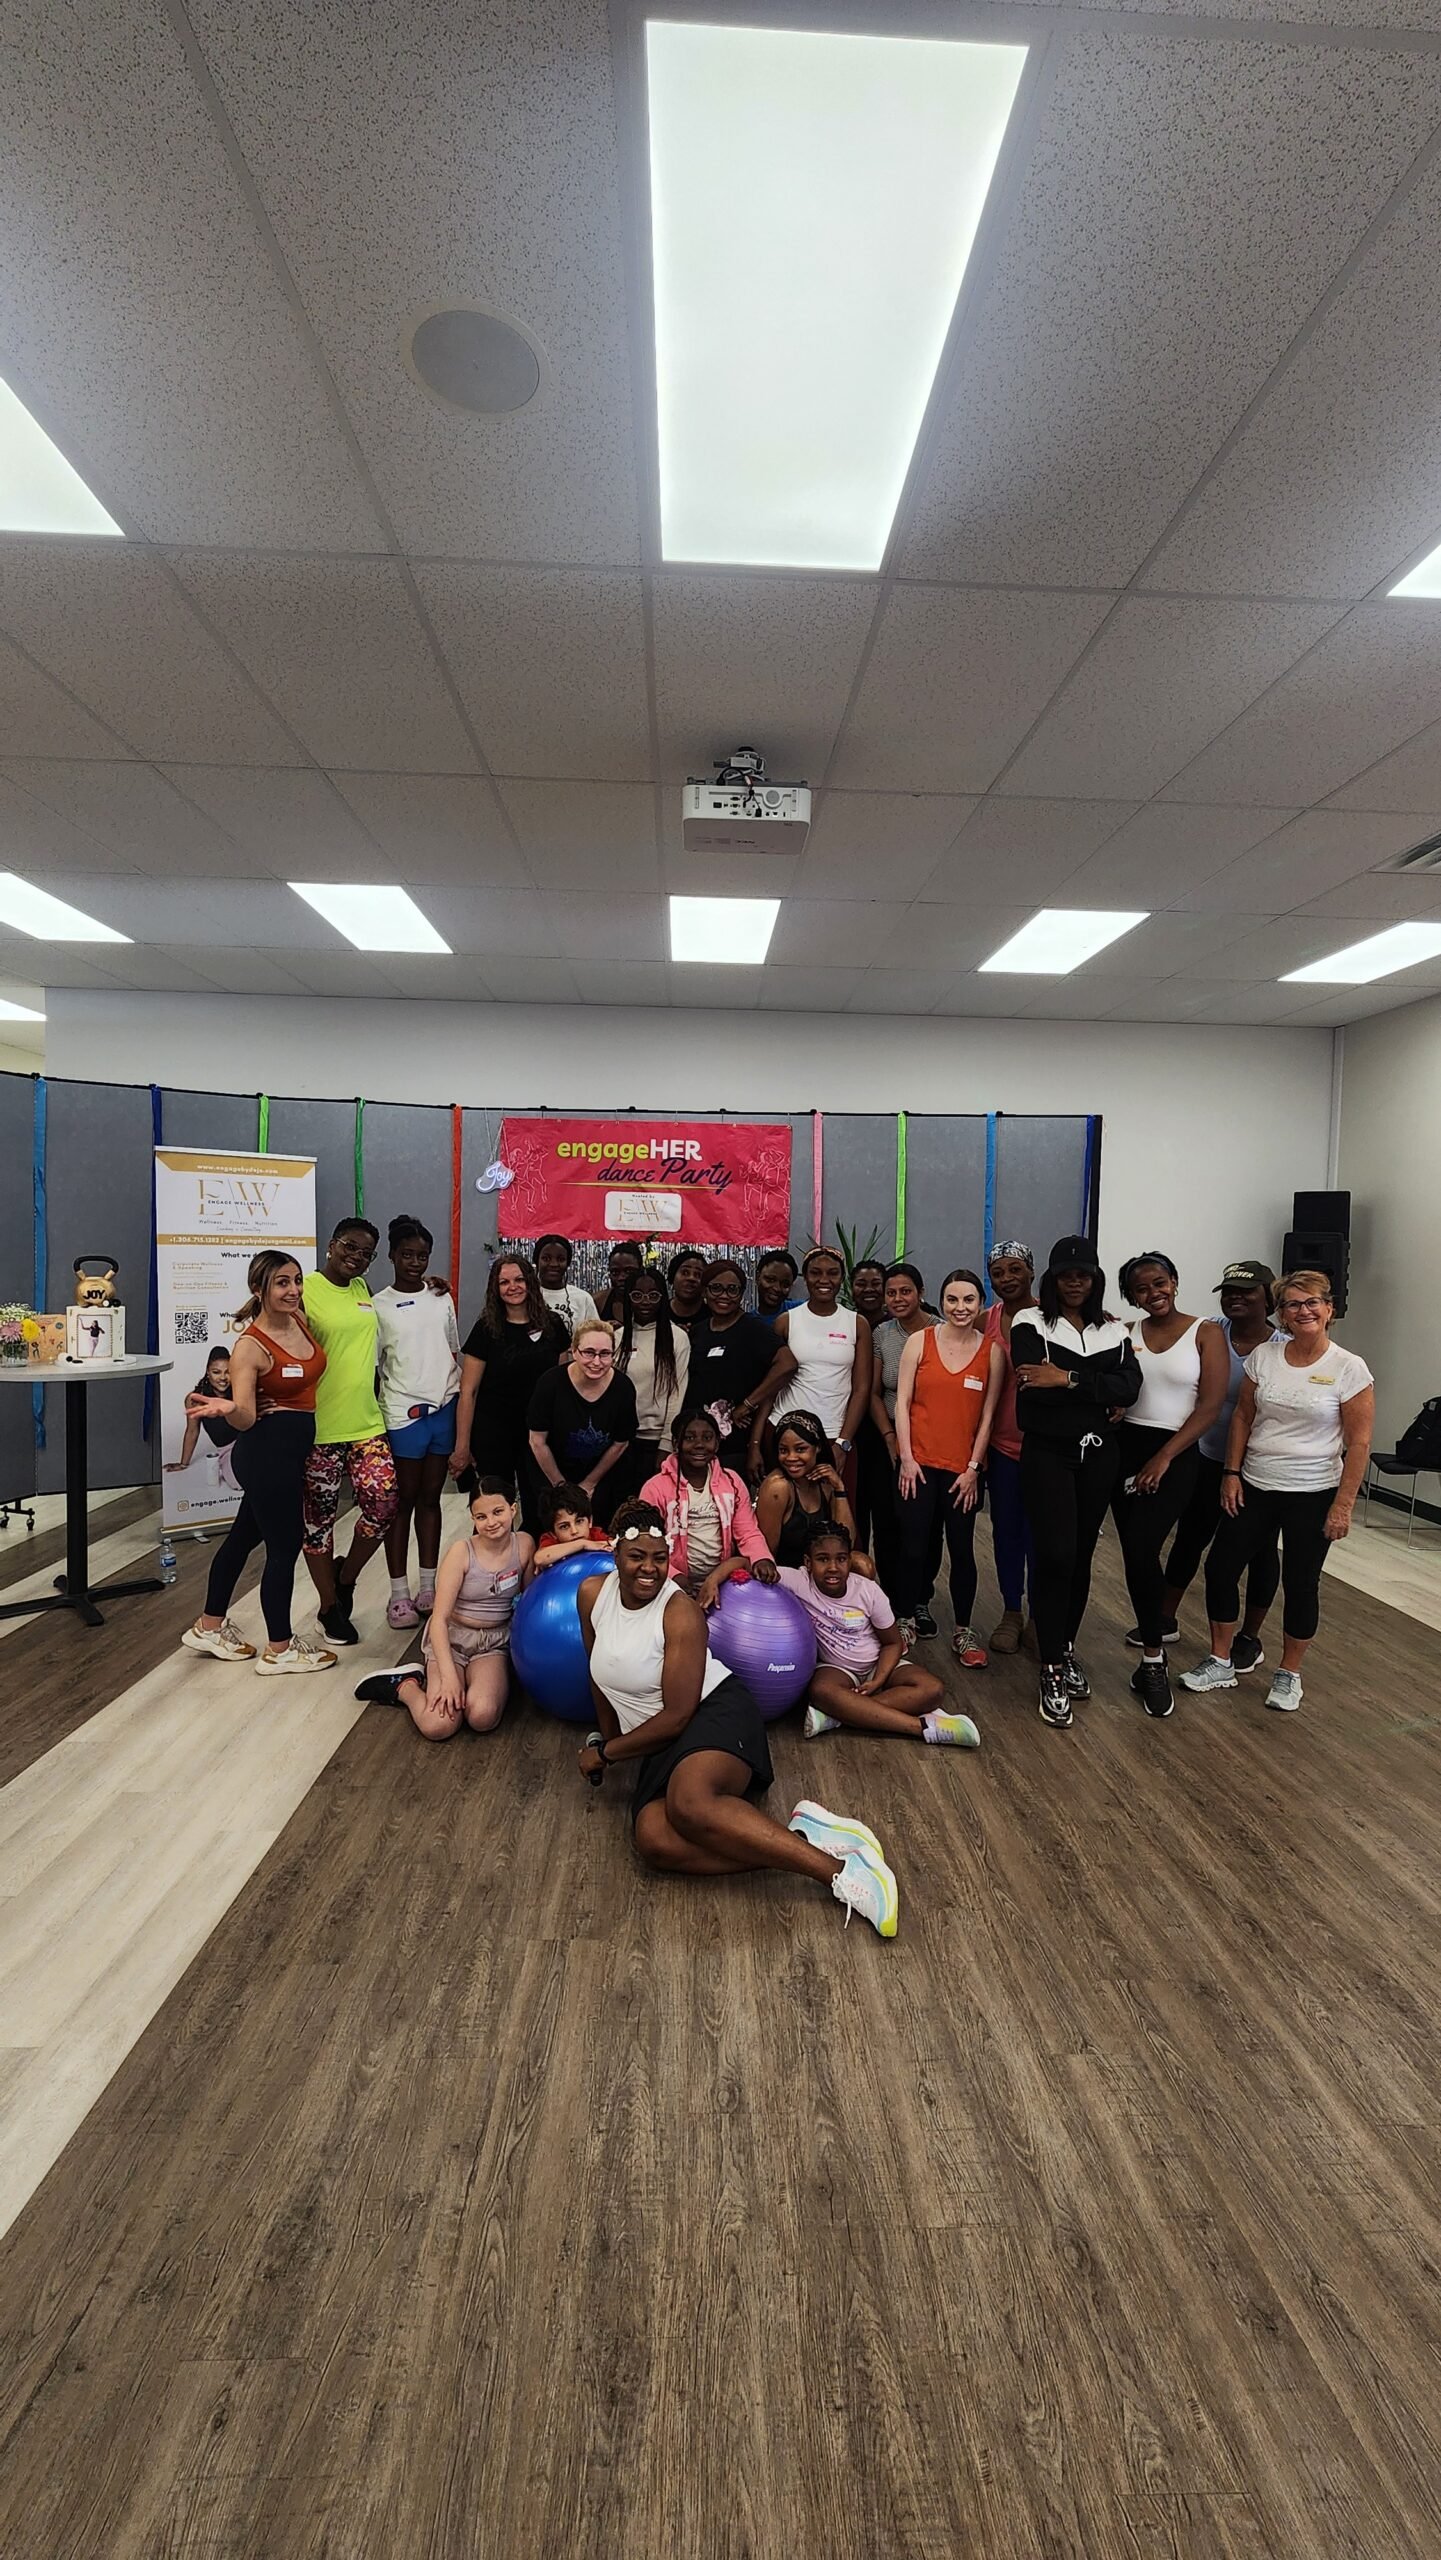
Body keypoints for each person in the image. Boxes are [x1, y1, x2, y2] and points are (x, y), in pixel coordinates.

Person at [576, 1500, 899, 1937]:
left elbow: (677, 1716)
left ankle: (842, 1874)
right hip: (658, 1739)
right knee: (653, 1840)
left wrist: (607, 1754)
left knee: (688, 1805)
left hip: (712, 1712)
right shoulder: (592, 1594)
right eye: (636, 1557)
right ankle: (803, 1839)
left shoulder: (679, 1612)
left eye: (659, 1558)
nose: (649, 1569)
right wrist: (606, 1736)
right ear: (614, 1554)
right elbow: (597, 1670)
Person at [1180, 1270, 1373, 1714]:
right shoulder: (1264, 1357)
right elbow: (1243, 1417)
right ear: (1281, 1313)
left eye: (1311, 1302)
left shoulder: (1348, 1367)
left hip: (1313, 1491)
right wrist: (1231, 1473)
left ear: (1329, 1309)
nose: (1303, 1311)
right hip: (1255, 1484)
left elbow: (1359, 1443)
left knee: (1301, 1583)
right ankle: (1221, 1660)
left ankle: (1289, 1673)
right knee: (1220, 1568)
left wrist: (1343, 1506)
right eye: (1292, 1304)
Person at [181, 1250, 337, 1674]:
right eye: (282, 1283)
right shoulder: (249, 1347)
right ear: (258, 1289)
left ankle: (209, 1626)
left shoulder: (299, 1320)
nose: (293, 1290)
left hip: (287, 1453)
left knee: (242, 1538)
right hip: (266, 1456)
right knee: (284, 1547)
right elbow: (247, 1416)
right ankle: (280, 1649)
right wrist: (227, 1408)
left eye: (296, 1280)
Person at [1011, 1236, 1142, 1730]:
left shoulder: (1113, 1329)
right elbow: (1032, 1391)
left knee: (1082, 1555)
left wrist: (1066, 1379)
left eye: (1083, 1275)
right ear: (1052, 1279)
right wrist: (1098, 1389)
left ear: (1095, 1279)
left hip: (1100, 1454)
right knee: (1057, 1554)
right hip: (1047, 1452)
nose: (1074, 1283)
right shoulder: (1030, 1323)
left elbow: (1131, 1387)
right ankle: (1049, 1665)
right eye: (1066, 1275)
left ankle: (1065, 1649)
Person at [1111, 1252, 1229, 1719]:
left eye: (1159, 1283)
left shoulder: (1206, 1332)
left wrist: (1164, 1457)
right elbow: (1120, 1391)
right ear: (1131, 1296)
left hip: (1176, 1455)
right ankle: (1152, 1656)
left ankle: (1153, 1659)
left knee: (1144, 1548)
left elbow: (1210, 1406)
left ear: (1174, 1282)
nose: (1153, 1293)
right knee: (1135, 1555)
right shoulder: (1126, 1333)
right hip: (1125, 1450)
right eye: (1141, 1289)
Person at [1158, 1261, 1281, 1670]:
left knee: (1260, 1551)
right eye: (1229, 1291)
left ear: (1268, 1298)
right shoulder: (1210, 1332)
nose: (1235, 1298)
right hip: (1207, 1456)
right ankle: (1164, 1618)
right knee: (1189, 1537)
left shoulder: (1281, 1346)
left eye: (1246, 1291)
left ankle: (1249, 1637)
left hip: (1257, 1468)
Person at [356, 1477, 533, 1739]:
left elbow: (529, 1602)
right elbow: (439, 1619)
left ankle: (471, 1682)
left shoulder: (525, 1544)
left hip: (494, 1642)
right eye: (481, 1516)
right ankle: (405, 1686)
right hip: (452, 1638)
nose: (491, 1522)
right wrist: (449, 1677)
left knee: (482, 1716)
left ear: (513, 1509)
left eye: (498, 1512)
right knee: (438, 1725)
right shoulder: (461, 1552)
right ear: (472, 1518)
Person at [780, 1518, 977, 1748]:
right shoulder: (799, 1581)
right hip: (837, 1669)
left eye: (841, 1559)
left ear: (849, 1560)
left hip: (877, 1664)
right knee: (820, 1691)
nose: (833, 1567)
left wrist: (878, 1680)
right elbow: (755, 1566)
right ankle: (922, 1728)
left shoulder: (868, 1591)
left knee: (933, 1689)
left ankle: (839, 1716)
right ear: (808, 1562)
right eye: (823, 1559)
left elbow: (893, 1643)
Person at [893, 1268, 1004, 1667]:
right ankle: (905, 1619)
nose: (960, 1307)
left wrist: (973, 1469)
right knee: (913, 1546)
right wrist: (907, 1459)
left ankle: (963, 1630)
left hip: (963, 1473)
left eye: (969, 1300)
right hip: (918, 1467)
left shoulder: (992, 1351)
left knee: (961, 1549)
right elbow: (902, 1403)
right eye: (952, 1299)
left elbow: (988, 1417)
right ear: (941, 1302)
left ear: (980, 1304)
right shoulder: (919, 1342)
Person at [301, 1217, 399, 1644]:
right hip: (319, 1428)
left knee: (384, 1505)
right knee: (318, 1524)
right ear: (331, 1244)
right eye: (349, 1246)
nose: (356, 1256)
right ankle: (328, 1608)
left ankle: (346, 1578)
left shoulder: (362, 1289)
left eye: (366, 1253)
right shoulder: (305, 1289)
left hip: (365, 1422)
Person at [372, 1213, 462, 1629]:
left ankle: (428, 1587)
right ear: (391, 1255)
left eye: (422, 1255)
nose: (414, 1262)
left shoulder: (442, 1297)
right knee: (401, 1502)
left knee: (431, 1498)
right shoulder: (378, 1305)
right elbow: (377, 1366)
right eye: (407, 1254)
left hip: (443, 1410)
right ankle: (398, 1595)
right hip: (403, 1415)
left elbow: (450, 1350)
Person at [451, 1255, 565, 1527]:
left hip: (539, 1433)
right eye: (504, 1282)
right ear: (495, 1288)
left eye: (518, 1280)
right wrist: (462, 1446)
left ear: (530, 1282)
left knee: (540, 1507)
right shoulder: (486, 1329)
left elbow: (562, 1385)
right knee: (494, 1509)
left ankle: (536, 1553)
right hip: (493, 1433)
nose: (512, 1287)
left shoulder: (553, 1325)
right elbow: (468, 1391)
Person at [737, 1247, 872, 1476]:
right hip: (784, 1432)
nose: (824, 1280)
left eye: (832, 1273)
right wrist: (755, 1444)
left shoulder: (857, 1324)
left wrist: (843, 1442)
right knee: (781, 1497)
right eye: (815, 1273)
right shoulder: (786, 1321)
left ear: (842, 1279)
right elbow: (772, 1386)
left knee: (836, 1498)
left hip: (833, 1435)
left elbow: (861, 1389)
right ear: (805, 1278)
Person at [641, 1408, 779, 1603]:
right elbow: (647, 1542)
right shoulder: (656, 1487)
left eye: (707, 1438)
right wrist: (673, 1576)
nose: (699, 1445)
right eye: (689, 1438)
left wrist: (761, 1558)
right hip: (672, 1582)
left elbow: (747, 1531)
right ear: (676, 1443)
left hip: (724, 1581)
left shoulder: (731, 1481)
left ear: (717, 1443)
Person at [867, 1262, 937, 1613]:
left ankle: (921, 1598)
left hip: (932, 1443)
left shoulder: (941, 1330)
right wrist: (889, 1437)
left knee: (927, 1526)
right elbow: (874, 1393)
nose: (897, 1299)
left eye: (905, 1291)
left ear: (921, 1293)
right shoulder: (882, 1334)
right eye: (891, 1293)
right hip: (891, 1440)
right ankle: (892, 1599)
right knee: (888, 1521)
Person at [526, 1317, 638, 1527]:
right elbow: (537, 1441)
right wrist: (562, 1488)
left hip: (601, 1472)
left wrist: (589, 1484)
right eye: (589, 1352)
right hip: (552, 1469)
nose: (596, 1362)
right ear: (574, 1351)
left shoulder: (623, 1388)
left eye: (605, 1354)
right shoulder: (550, 1383)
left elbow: (621, 1442)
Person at [982, 1242, 1038, 1655]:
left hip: (1045, 1447)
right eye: (998, 1272)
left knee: (1042, 1534)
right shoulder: (985, 1321)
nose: (1007, 1278)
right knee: (1006, 1530)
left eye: (1015, 1269)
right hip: (1001, 1446)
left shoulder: (1053, 1317)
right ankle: (1011, 1610)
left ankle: (1040, 1613)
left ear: (1031, 1272)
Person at [680, 1259, 776, 1479]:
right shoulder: (697, 1332)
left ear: (741, 1293)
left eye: (732, 1289)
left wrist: (748, 1404)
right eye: (716, 1288)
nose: (724, 1295)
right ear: (705, 1291)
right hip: (696, 1446)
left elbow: (787, 1365)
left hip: (736, 1445)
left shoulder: (754, 1329)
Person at [754, 1410, 868, 1572]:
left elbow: (846, 1542)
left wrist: (839, 1489)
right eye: (783, 1450)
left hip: (819, 1572)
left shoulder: (825, 1482)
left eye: (800, 1449)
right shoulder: (778, 1487)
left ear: (818, 1448)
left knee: (863, 1564)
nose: (791, 1458)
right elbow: (766, 1555)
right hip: (785, 1573)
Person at [615, 1264, 690, 1492]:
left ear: (663, 1298)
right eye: (637, 1295)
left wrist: (666, 1443)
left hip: (656, 1441)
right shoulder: (616, 1338)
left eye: (653, 1295)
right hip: (620, 1441)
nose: (645, 1301)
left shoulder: (677, 1337)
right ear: (628, 1298)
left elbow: (676, 1394)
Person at [165, 1347, 241, 1494]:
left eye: (228, 1372)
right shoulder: (195, 1399)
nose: (223, 1378)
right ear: (208, 1372)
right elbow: (192, 1431)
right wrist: (183, 1463)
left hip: (248, 1442)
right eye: (216, 1372)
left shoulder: (240, 1391)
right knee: (238, 1483)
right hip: (227, 1450)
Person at [533, 1480, 614, 1568]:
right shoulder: (551, 1541)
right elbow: (540, 1558)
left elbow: (614, 1545)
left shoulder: (595, 1534)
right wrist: (583, 1544)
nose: (574, 1531)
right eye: (564, 1526)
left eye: (579, 1521)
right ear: (553, 1533)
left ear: (590, 1521)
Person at [535, 1234, 599, 1339]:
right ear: (536, 1261)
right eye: (546, 1258)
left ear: (568, 1263)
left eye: (561, 1259)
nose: (554, 1264)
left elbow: (594, 1337)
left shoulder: (583, 1298)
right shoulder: (526, 1295)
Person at [595, 1241, 644, 1327]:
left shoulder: (653, 1303)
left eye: (629, 1271)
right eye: (615, 1272)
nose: (621, 1278)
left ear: (641, 1270)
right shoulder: (598, 1302)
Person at [754, 1249, 801, 1329]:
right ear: (758, 1277)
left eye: (785, 1284)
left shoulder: (800, 1311)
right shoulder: (748, 1323)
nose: (777, 1288)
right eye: (770, 1280)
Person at [666, 1248, 710, 1331]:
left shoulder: (713, 1318)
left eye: (698, 1275)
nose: (691, 1278)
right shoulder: (659, 1313)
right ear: (672, 1276)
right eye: (685, 1273)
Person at [849, 1259, 889, 1330]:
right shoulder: (844, 1325)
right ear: (852, 1289)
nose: (868, 1289)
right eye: (861, 1284)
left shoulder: (898, 1325)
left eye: (875, 1283)